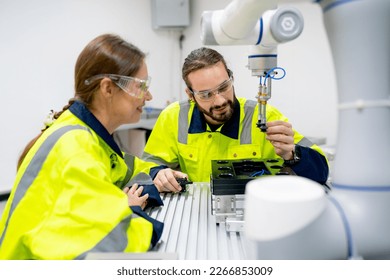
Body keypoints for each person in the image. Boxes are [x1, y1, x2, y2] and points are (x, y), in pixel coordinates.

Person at [0, 34, 164, 259]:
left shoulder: (85, 134)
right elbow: (112, 247)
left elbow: (123, 166)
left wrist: (158, 172)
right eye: (140, 86)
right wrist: (130, 210)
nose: (149, 96)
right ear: (107, 89)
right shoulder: (76, 148)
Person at [143, 47, 329, 192]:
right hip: (196, 210)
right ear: (190, 95)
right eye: (206, 94)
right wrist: (158, 173)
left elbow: (321, 171)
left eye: (224, 87)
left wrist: (293, 154)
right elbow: (147, 165)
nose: (220, 100)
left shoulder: (265, 116)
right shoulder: (173, 117)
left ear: (232, 79)